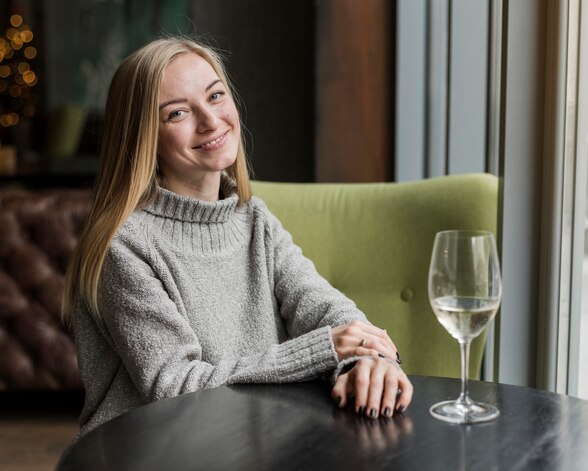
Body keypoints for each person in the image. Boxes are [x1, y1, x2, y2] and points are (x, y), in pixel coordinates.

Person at [62, 36, 413, 438]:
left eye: (215, 96)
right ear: (142, 137)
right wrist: (324, 350)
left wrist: (367, 363)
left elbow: (319, 304)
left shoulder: (252, 219)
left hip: (247, 441)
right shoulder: (124, 245)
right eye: (177, 113)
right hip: (147, 452)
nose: (210, 121)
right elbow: (177, 388)